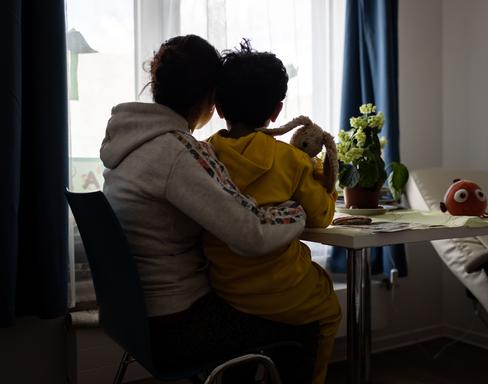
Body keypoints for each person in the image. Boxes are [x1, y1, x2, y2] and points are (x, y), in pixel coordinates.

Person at [100, 35, 317, 383]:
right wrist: (296, 210)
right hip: (178, 325)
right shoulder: (176, 152)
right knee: (302, 326)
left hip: (137, 321)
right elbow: (252, 234)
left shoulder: (129, 146)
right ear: (210, 97)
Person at [203, 40, 342, 384]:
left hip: (225, 288)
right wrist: (322, 177)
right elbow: (322, 216)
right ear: (278, 111)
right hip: (286, 290)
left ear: (218, 106)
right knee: (327, 306)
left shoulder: (204, 155)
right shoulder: (290, 159)